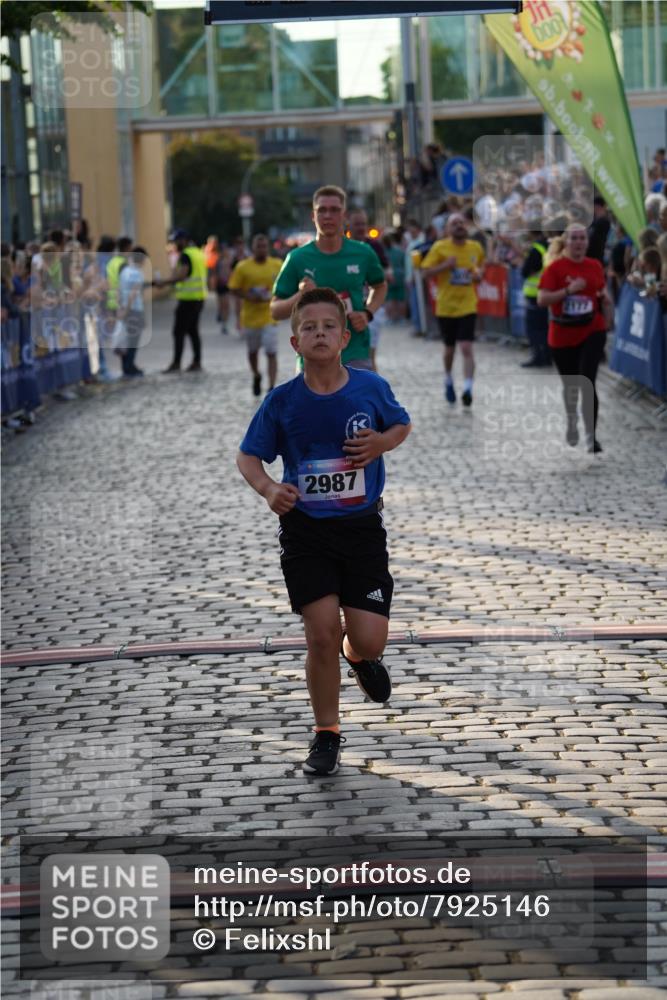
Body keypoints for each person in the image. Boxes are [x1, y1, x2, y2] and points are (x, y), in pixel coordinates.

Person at [237, 287, 411, 776]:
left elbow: (401, 426)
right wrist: (269, 488)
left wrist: (380, 443)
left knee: (369, 640)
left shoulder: (369, 388)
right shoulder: (282, 401)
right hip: (305, 533)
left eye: (328, 326)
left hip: (360, 531)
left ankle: (358, 657)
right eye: (308, 328)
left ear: (345, 334)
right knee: (319, 634)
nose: (319, 333)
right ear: (295, 343)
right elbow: (248, 455)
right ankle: (326, 733)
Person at [270, 186, 387, 371]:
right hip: (311, 358)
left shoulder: (363, 253)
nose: (327, 216)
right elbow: (275, 311)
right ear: (313, 216)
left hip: (354, 352)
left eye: (334, 210)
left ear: (344, 215)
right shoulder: (297, 258)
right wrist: (300, 295)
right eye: (321, 210)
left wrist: (367, 312)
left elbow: (380, 286)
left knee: (361, 400)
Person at [537, 222, 613, 454]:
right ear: (566, 242)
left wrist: (607, 315)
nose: (579, 242)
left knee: (587, 382)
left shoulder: (595, 266)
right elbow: (542, 299)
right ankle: (572, 421)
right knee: (571, 385)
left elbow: (602, 294)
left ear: (587, 243)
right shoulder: (555, 269)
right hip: (562, 334)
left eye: (582, 238)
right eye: (574, 238)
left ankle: (592, 436)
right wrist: (569, 291)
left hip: (592, 329)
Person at [419, 213, 485, 406]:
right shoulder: (440, 248)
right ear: (448, 229)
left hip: (468, 304)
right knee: (449, 349)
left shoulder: (475, 248)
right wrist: (445, 266)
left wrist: (479, 275)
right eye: (454, 223)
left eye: (462, 223)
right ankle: (448, 378)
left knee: (466, 346)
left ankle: (467, 387)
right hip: (446, 307)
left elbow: (480, 269)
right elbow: (424, 273)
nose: (459, 226)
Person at [228, 233, 283, 395]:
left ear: (268, 248)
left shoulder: (277, 264)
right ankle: (256, 374)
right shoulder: (243, 267)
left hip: (270, 315)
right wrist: (249, 296)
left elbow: (285, 285)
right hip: (250, 317)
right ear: (252, 248)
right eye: (258, 246)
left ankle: (272, 386)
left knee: (271, 351)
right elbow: (233, 288)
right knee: (253, 352)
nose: (262, 249)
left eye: (264, 246)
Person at [160, 228, 207, 373]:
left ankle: (176, 363)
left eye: (176, 241)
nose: (175, 244)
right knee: (193, 331)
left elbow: (182, 275)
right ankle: (197, 361)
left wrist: (164, 282)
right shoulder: (198, 253)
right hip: (199, 298)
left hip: (188, 300)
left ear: (184, 240)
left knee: (178, 331)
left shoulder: (186, 255)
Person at [347, 208, 389, 370]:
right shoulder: (342, 247)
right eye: (357, 224)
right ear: (348, 225)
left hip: (371, 307)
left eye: (363, 224)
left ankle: (372, 389)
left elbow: (387, 272)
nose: (361, 227)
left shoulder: (374, 246)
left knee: (369, 354)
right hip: (348, 308)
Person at [520, 230, 550, 367]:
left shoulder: (537, 248)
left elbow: (526, 271)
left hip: (534, 293)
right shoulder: (549, 246)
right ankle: (547, 356)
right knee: (544, 327)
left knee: (534, 329)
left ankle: (538, 357)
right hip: (545, 291)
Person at [117, 247, 149, 377]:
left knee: (126, 339)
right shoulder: (138, 273)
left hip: (125, 308)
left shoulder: (125, 271)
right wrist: (128, 310)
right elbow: (133, 294)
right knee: (133, 340)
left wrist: (121, 309)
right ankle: (130, 366)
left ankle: (126, 366)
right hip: (134, 309)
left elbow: (119, 291)